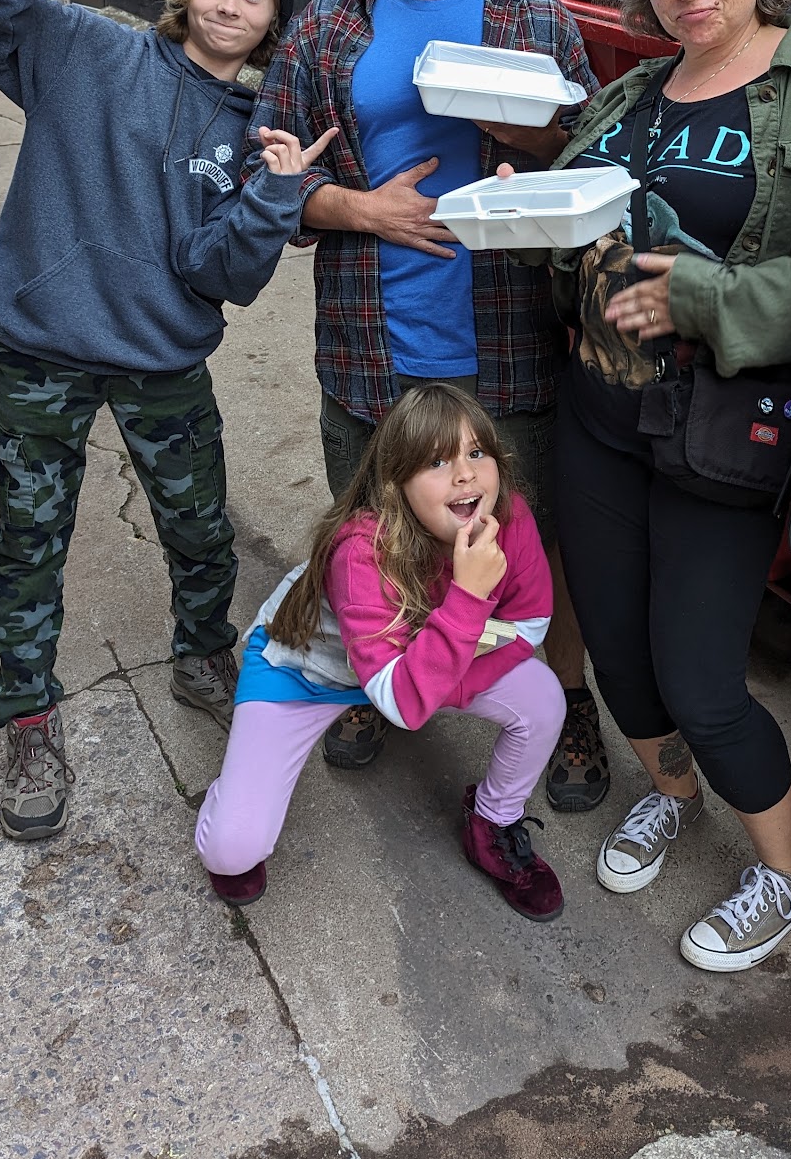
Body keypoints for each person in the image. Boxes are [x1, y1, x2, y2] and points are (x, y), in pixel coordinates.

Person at [524, 0, 791, 971]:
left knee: (700, 679)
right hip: (599, 414)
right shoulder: (634, 93)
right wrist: (532, 210)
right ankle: (672, 796)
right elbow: (569, 211)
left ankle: (789, 875)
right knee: (619, 658)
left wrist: (711, 298)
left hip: (719, 430)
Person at [0, 0, 336, 842]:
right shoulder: (83, 48)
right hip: (42, 354)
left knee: (201, 531)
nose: (230, 3)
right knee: (30, 548)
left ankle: (202, 657)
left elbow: (222, 274)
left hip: (163, 364)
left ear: (273, 21)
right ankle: (26, 715)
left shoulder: (254, 132)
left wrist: (275, 194)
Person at [250, 0, 610, 812]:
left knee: (531, 542)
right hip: (371, 350)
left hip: (506, 354)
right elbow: (264, 179)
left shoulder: (534, 17)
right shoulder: (328, 25)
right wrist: (361, 209)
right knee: (372, 539)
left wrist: (538, 140)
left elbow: (591, 160)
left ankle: (564, 698)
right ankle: (372, 676)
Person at [194, 383, 567, 920]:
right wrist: (468, 596)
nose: (465, 474)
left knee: (543, 700)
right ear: (396, 483)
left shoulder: (508, 517)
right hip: (309, 669)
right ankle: (236, 788)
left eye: (476, 452)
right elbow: (402, 703)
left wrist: (447, 683)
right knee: (232, 852)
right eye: (437, 461)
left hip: (410, 667)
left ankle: (493, 821)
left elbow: (529, 623)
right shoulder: (362, 549)